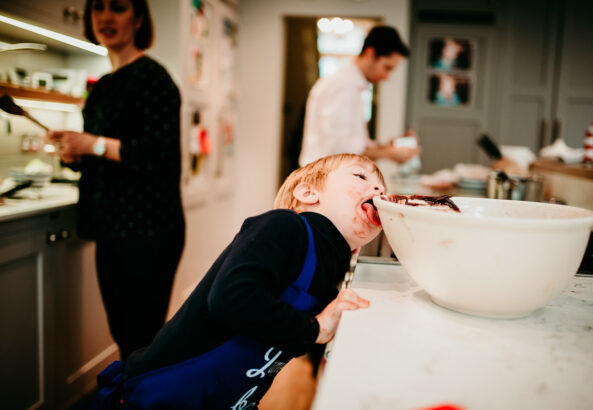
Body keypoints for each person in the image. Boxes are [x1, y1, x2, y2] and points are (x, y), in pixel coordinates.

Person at [89, 153, 385, 409]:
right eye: (361, 176)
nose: (377, 188)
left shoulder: (328, 270)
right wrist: (315, 329)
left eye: (382, 188)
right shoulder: (284, 225)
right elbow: (231, 297)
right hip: (162, 395)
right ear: (308, 194)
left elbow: (281, 337)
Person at [46, 0, 185, 361]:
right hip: (111, 228)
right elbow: (107, 160)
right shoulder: (103, 86)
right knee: (124, 334)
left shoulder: (153, 77)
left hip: (149, 229)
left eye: (118, 7)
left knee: (141, 336)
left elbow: (159, 156)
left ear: (138, 18)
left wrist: (91, 143)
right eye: (98, 9)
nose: (106, 17)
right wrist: (76, 154)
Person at [299, 25, 421, 167]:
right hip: (324, 176)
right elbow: (339, 148)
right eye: (387, 67)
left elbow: (355, 143)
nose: (387, 77)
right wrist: (388, 153)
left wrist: (387, 147)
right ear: (370, 54)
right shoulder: (342, 86)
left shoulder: (352, 85)